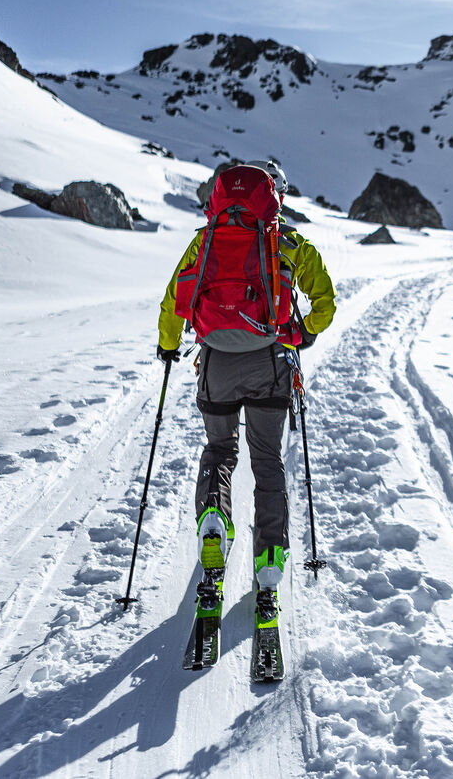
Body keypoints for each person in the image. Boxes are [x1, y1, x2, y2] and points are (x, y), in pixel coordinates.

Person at [156, 161, 335, 627]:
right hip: (269, 363)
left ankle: (214, 521)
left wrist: (168, 344)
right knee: (267, 462)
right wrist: (302, 333)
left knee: (219, 450)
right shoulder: (289, 243)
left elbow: (174, 298)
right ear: (276, 198)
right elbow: (325, 301)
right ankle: (270, 560)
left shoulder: (207, 239)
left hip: (216, 363)